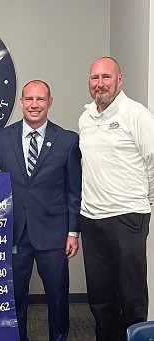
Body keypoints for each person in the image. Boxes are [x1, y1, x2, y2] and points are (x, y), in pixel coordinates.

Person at [0, 80, 81, 341]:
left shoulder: (68, 140)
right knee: (14, 298)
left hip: (54, 233)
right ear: (21, 102)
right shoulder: (1, 137)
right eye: (29, 99)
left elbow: (74, 190)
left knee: (58, 298)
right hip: (14, 232)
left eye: (40, 99)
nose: (34, 105)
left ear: (50, 102)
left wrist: (73, 232)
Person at [79, 57, 154, 340]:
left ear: (119, 80)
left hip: (127, 217)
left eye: (106, 77)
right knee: (100, 298)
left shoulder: (137, 115)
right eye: (94, 78)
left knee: (131, 297)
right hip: (91, 219)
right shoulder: (86, 117)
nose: (100, 83)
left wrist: (142, 201)